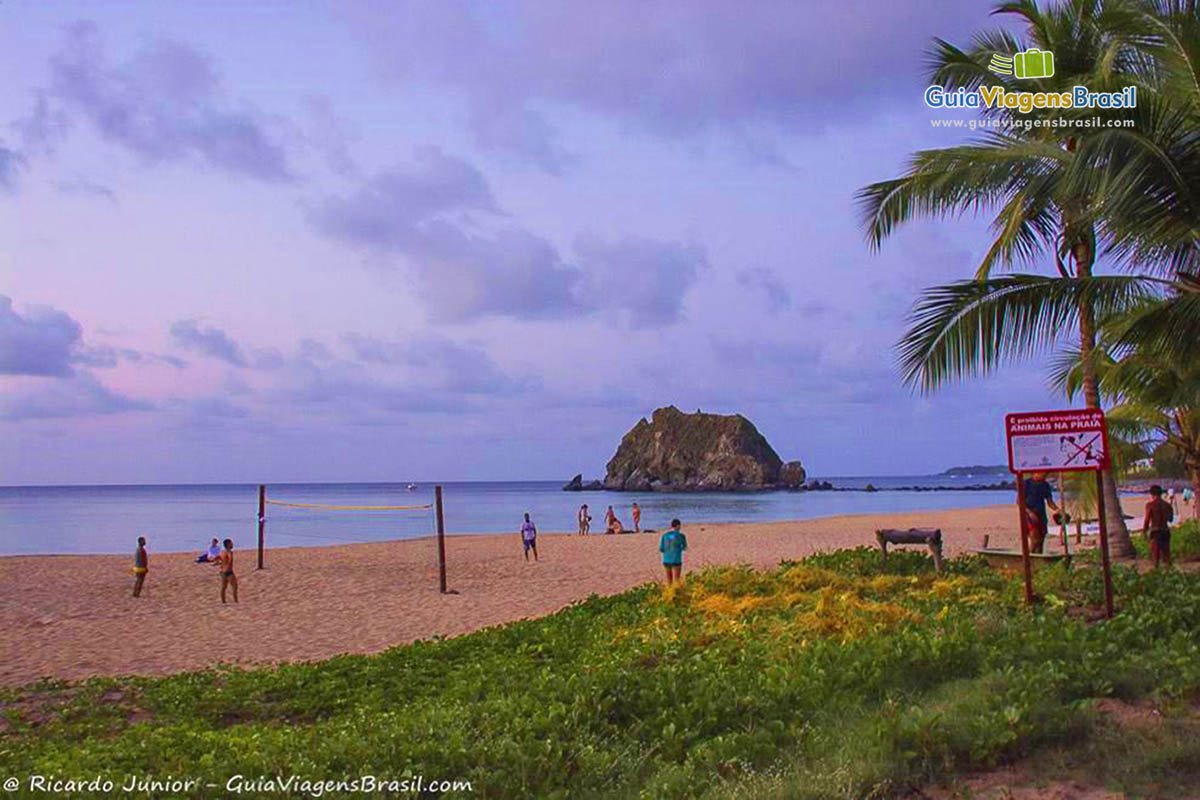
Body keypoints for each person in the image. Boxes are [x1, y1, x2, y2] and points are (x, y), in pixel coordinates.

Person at [1021, 472, 1060, 554]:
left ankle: (1038, 560)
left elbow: (1050, 502)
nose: (1045, 475)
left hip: (1041, 513)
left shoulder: (1045, 485)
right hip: (1028, 514)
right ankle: (1029, 558)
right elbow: (1020, 502)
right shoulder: (1026, 484)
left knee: (1041, 541)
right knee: (1035, 540)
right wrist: (1030, 513)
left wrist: (1057, 509)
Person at [1143, 485, 1175, 569]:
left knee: (1155, 558)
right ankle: (1170, 574)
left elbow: (1147, 520)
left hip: (1155, 532)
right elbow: (1170, 519)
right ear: (1161, 493)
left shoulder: (1150, 505)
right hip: (1165, 531)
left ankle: (1156, 575)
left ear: (1151, 494)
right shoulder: (1167, 505)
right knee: (1167, 555)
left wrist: (1144, 532)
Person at [659, 518, 687, 584]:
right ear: (678, 526)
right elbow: (684, 547)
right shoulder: (681, 536)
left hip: (666, 560)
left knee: (669, 580)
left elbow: (661, 549)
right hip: (676, 559)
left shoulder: (664, 535)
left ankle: (670, 592)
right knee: (677, 579)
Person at [215, 538, 238, 603]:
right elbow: (230, 559)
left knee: (223, 587)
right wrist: (228, 564)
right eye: (231, 543)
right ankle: (236, 601)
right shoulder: (229, 552)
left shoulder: (222, 552)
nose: (232, 544)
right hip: (229, 571)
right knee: (234, 586)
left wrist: (220, 563)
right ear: (228, 545)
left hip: (222, 571)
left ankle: (223, 601)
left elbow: (216, 558)